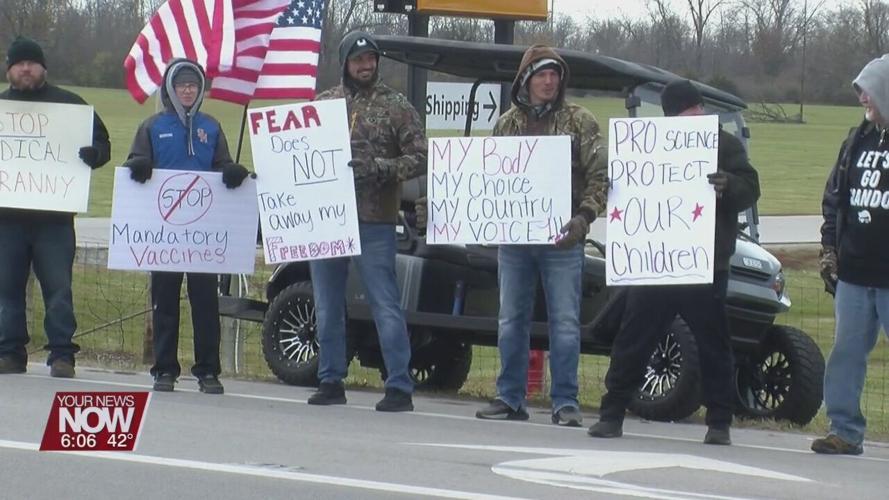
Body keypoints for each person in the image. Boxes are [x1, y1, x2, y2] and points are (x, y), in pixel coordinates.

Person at [588, 79, 760, 445]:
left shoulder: (724, 145)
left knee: (713, 343)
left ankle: (719, 422)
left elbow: (751, 188)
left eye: (697, 109)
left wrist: (728, 184)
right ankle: (612, 412)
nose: (695, 116)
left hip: (706, 262)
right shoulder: (649, 146)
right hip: (656, 261)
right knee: (633, 338)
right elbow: (624, 186)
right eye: (686, 111)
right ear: (670, 115)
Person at [474, 45, 608, 427]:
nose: (549, 81)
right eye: (541, 74)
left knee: (565, 322)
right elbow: (481, 180)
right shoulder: (505, 125)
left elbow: (601, 176)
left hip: (563, 241)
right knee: (510, 320)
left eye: (555, 74)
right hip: (515, 242)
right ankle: (509, 397)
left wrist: (584, 217)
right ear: (525, 80)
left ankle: (565, 401)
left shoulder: (581, 121)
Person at [306, 31, 427, 412]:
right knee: (326, 303)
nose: (366, 65)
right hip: (326, 219)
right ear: (345, 63)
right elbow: (298, 159)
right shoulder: (323, 105)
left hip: (374, 219)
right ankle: (330, 379)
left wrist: (382, 168)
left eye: (371, 59)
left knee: (384, 303)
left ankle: (398, 385)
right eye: (358, 60)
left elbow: (421, 156)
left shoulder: (397, 106)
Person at [123, 58, 250, 394]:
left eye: (194, 85)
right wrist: (138, 164)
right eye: (182, 85)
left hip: (202, 235)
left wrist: (232, 171)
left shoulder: (212, 126)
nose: (188, 90)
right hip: (164, 234)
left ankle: (208, 370)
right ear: (170, 88)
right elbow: (133, 165)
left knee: (205, 303)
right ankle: (164, 369)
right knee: (164, 302)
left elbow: (222, 165)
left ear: (201, 89)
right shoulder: (152, 126)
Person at [0, 36, 111, 378]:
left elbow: (102, 143)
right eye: (19, 63)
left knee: (59, 290)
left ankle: (62, 355)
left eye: (32, 63)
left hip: (55, 220)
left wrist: (94, 156)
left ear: (43, 67)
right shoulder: (2, 109)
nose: (26, 69)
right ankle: (9, 352)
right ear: (9, 70)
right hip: (8, 220)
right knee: (6, 289)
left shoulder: (71, 106)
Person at [814, 55, 889, 455]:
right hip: (855, 274)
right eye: (861, 90)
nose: (863, 98)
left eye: (870, 90)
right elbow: (835, 198)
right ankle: (844, 430)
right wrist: (829, 248)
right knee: (845, 353)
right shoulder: (855, 140)